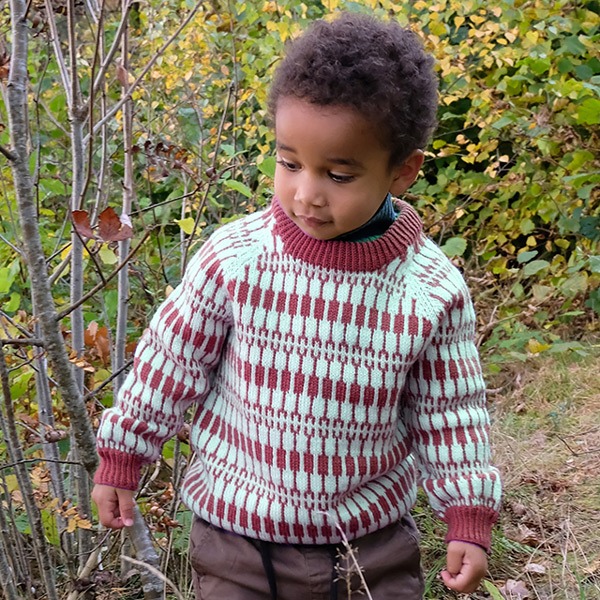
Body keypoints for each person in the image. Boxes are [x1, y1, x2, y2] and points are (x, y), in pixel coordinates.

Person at [92, 11, 502, 600]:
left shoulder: (429, 290)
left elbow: (450, 414)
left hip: (370, 550)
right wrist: (124, 454)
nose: (306, 194)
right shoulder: (235, 258)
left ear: (403, 171)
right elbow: (169, 363)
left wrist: (468, 515)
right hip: (236, 544)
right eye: (289, 164)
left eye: (339, 174)